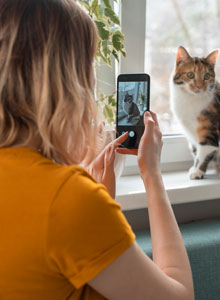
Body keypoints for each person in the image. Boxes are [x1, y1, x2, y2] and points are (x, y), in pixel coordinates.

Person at [0, 0, 194, 299]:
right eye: (89, 63)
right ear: (67, 80)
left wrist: (96, 199)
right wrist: (152, 174)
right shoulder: (68, 200)